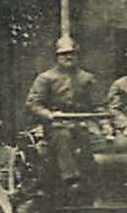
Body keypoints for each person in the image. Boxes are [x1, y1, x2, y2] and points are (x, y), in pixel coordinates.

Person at [24, 35, 103, 187]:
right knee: (63, 136)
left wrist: (103, 122)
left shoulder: (86, 78)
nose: (68, 57)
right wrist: (50, 115)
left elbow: (98, 105)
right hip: (56, 124)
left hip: (83, 122)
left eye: (71, 53)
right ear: (57, 56)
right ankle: (72, 179)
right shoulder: (45, 78)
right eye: (63, 54)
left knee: (102, 140)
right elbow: (33, 104)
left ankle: (102, 181)